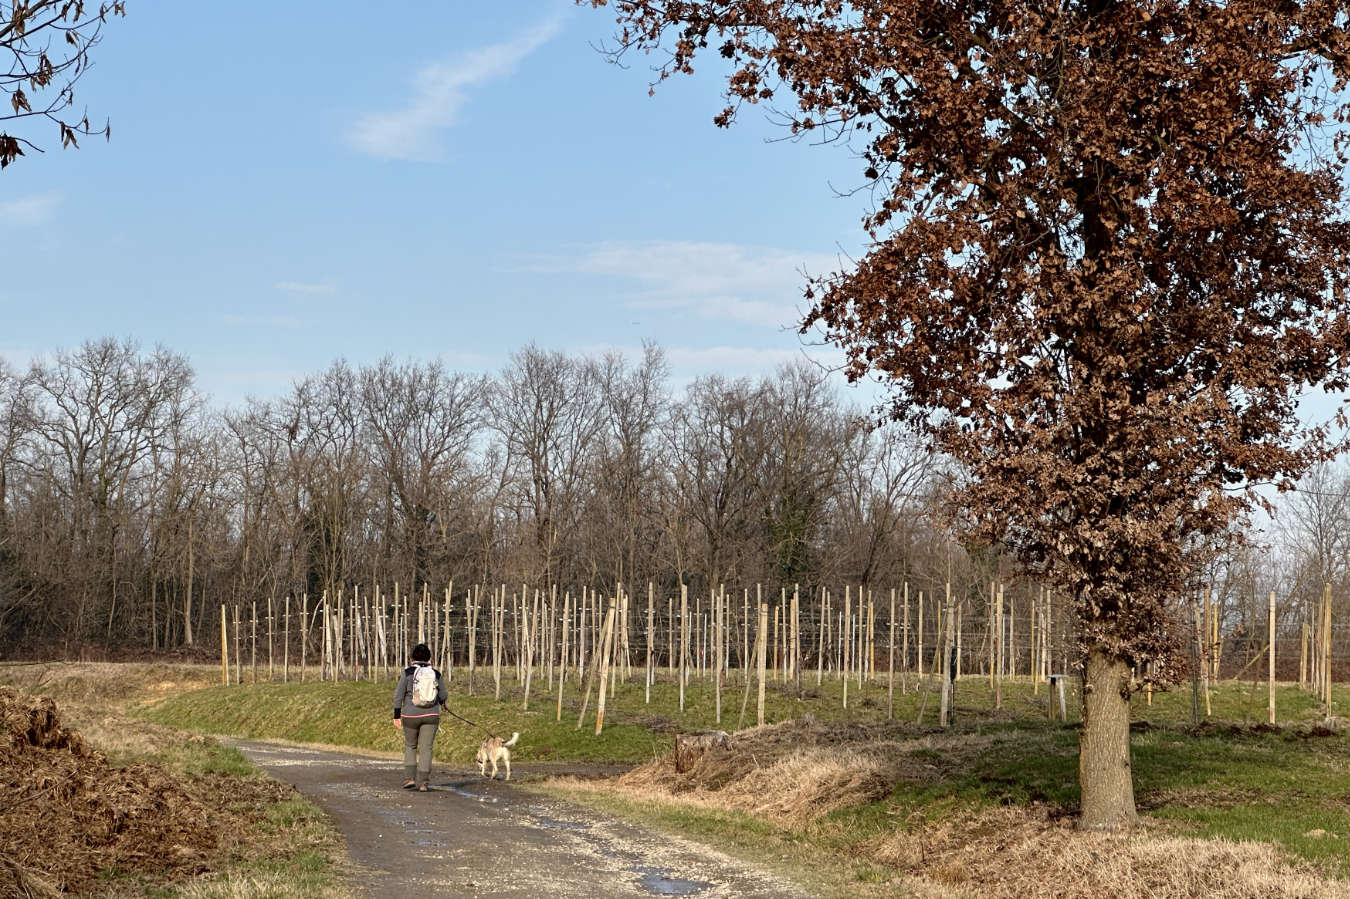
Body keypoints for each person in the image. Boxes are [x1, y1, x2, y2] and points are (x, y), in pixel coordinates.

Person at [393, 643, 448, 792]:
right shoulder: (435, 674)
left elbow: (398, 696)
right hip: (431, 715)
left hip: (410, 715)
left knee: (410, 746)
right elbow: (443, 695)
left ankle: (410, 778)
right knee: (426, 749)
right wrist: (442, 703)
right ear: (429, 657)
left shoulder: (407, 673)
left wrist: (396, 716)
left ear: (412, 657)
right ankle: (423, 782)